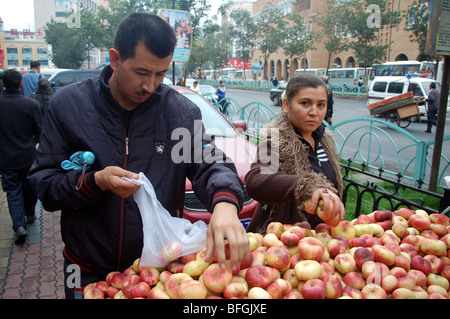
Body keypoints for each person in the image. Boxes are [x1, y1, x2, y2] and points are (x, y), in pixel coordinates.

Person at [27, 12, 248, 298]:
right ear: (115, 59)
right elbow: (45, 185)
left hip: (157, 270)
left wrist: (226, 203)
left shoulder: (178, 113)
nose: (151, 86)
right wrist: (95, 181)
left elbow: (210, 163)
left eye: (160, 74)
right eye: (142, 73)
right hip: (84, 265)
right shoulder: (67, 106)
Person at [245, 73, 345, 232]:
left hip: (324, 239)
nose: (314, 112)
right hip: (285, 241)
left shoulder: (324, 140)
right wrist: (307, 186)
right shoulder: (276, 141)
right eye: (305, 103)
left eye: (321, 105)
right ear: (286, 105)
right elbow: (256, 181)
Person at [0, 69, 42, 244]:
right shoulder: (30, 104)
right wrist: (33, 143)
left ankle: (19, 225)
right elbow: (40, 130)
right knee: (29, 187)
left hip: (5, 158)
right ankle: (30, 213)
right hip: (27, 155)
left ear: (3, 84)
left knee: (12, 192)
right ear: (20, 84)